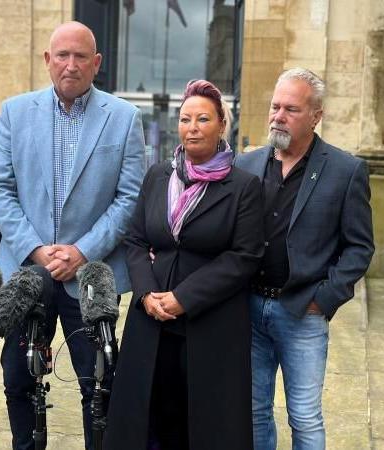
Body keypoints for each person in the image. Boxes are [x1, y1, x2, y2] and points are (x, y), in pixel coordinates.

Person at [0, 21, 144, 450]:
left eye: (80, 57)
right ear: (47, 60)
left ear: (97, 63)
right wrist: (35, 250)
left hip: (90, 275)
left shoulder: (125, 118)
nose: (70, 65)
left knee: (99, 386)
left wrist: (82, 250)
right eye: (62, 55)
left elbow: (130, 199)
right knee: (17, 380)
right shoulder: (15, 112)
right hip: (25, 271)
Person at [104, 80, 264, 450]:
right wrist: (145, 293)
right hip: (152, 319)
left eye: (203, 119)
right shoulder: (158, 175)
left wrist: (184, 298)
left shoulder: (243, 186)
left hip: (211, 323)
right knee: (149, 417)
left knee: (204, 424)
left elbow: (244, 257)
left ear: (222, 124)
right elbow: (136, 240)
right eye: (185, 118)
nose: (192, 127)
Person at [234, 68, 374, 450]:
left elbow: (360, 247)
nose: (278, 115)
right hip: (248, 308)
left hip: (303, 314)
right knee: (252, 410)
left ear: (316, 115)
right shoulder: (245, 165)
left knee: (305, 418)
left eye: (291, 109)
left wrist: (324, 299)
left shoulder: (346, 171)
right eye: (275, 106)